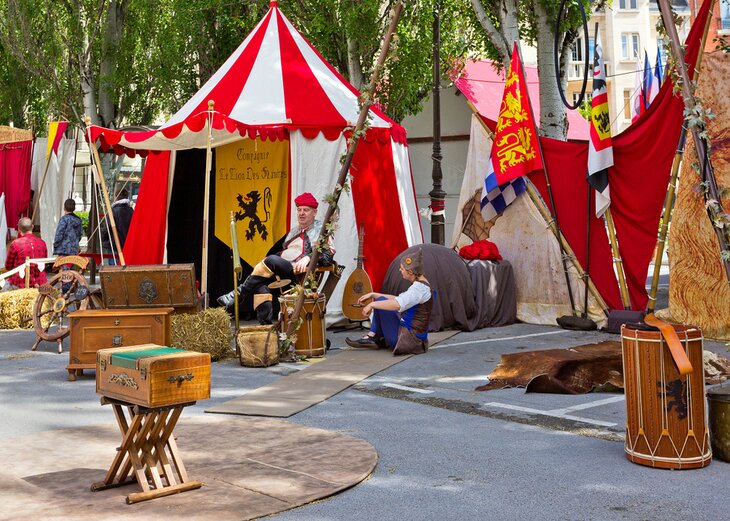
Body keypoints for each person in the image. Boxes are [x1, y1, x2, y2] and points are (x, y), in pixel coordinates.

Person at [217, 192, 335, 324]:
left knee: (271, 260)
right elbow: (286, 252)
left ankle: (238, 294)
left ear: (314, 212)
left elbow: (327, 255)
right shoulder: (294, 231)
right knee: (260, 283)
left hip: (299, 274)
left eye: (306, 210)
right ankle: (266, 326)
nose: (301, 213)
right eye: (299, 210)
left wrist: (308, 257)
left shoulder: (322, 230)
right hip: (283, 270)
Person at [345, 248, 432, 355]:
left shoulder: (419, 289)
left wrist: (372, 304)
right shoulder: (421, 286)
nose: (400, 270)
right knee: (380, 300)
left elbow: (396, 304)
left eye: (402, 268)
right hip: (413, 338)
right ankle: (374, 336)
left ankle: (374, 336)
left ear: (410, 272)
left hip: (409, 340)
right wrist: (373, 295)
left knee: (380, 302)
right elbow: (397, 298)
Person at [2, 217, 48, 291]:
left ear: (19, 230)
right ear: (32, 227)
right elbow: (44, 263)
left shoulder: (15, 244)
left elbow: (8, 266)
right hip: (40, 282)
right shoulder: (42, 243)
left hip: (20, 283)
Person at [101, 188, 134, 265]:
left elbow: (106, 229)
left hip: (114, 244)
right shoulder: (131, 211)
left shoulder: (113, 211)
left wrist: (105, 239)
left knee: (114, 267)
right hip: (127, 243)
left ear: (116, 197)